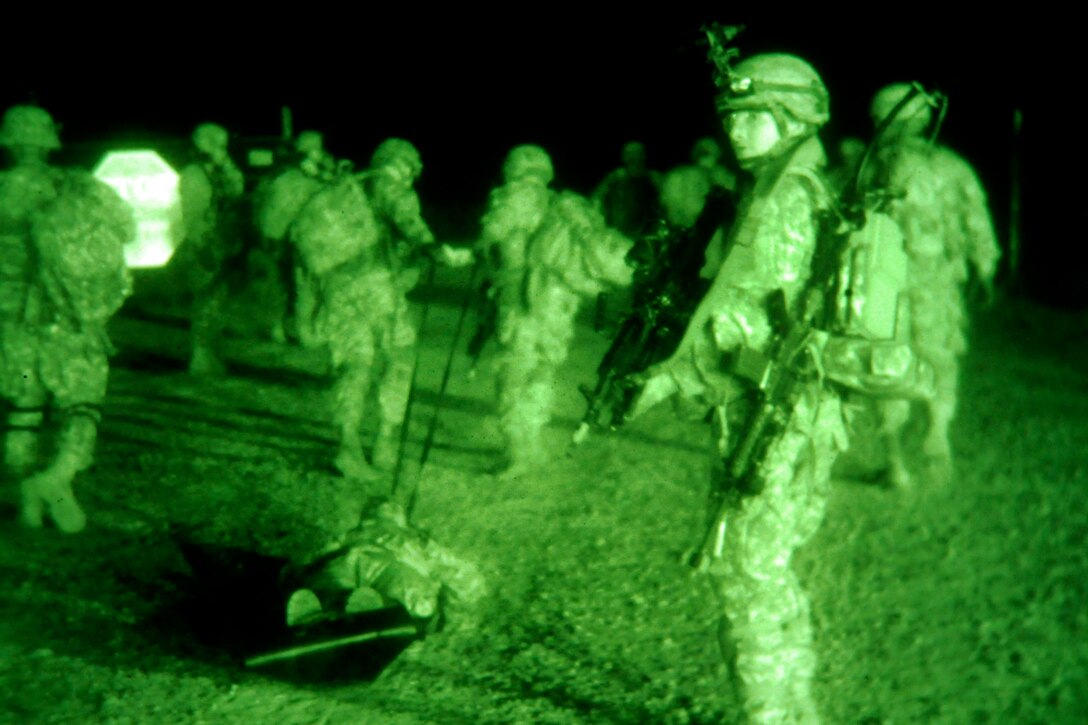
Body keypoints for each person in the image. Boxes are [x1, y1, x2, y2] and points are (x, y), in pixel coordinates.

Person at [630, 54, 847, 724]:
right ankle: (798, 706)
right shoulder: (791, 185)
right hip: (801, 410)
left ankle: (767, 715)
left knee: (744, 574)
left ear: (792, 117)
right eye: (731, 116)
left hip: (772, 415)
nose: (736, 130)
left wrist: (675, 373)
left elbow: (753, 320)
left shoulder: (784, 198)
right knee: (769, 568)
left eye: (754, 116)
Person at [0, 105, 134, 532]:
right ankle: (56, 478)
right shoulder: (70, 186)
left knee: (24, 404)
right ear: (46, 141)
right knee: (82, 401)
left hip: (10, 323)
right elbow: (125, 230)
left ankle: (27, 492)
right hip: (65, 316)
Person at [863, 83, 1000, 485]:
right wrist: (985, 269)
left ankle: (895, 465)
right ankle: (937, 430)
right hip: (939, 281)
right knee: (939, 356)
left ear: (892, 119)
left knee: (884, 364)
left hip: (884, 285)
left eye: (878, 120)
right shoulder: (954, 166)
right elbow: (977, 219)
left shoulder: (874, 166)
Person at [487, 145, 634, 477]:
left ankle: (516, 452)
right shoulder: (562, 204)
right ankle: (533, 444)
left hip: (524, 300)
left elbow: (492, 231)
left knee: (513, 375)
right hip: (558, 302)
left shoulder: (517, 195)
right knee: (542, 372)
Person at [178, 122, 246, 375]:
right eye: (219, 145)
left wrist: (225, 164)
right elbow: (193, 216)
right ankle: (201, 359)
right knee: (206, 302)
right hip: (204, 248)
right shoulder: (194, 174)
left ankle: (211, 356)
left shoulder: (215, 171)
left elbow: (238, 188)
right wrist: (201, 246)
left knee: (217, 304)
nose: (223, 150)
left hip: (222, 244)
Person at [659, 137, 737, 229]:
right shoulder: (677, 177)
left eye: (716, 157)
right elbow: (678, 213)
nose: (708, 161)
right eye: (703, 154)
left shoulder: (721, 175)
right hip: (689, 233)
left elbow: (733, 195)